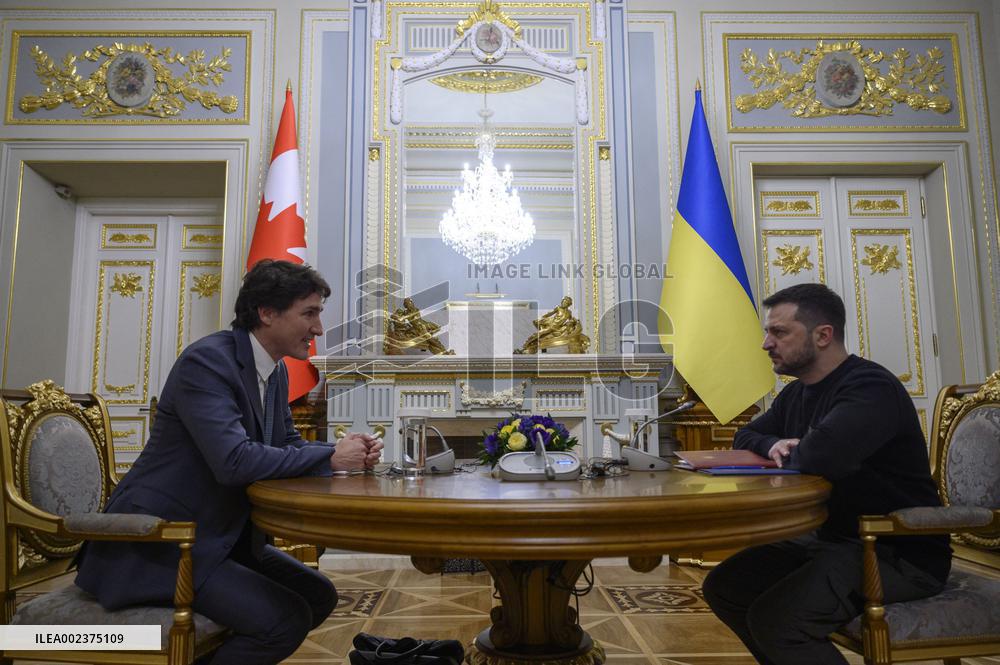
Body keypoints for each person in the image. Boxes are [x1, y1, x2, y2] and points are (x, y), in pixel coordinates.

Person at [75, 259, 383, 665]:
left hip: (222, 536)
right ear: (267, 312)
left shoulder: (275, 373)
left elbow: (287, 442)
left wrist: (341, 458)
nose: (319, 329)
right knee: (283, 620)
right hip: (163, 543)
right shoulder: (207, 363)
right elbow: (233, 461)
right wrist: (331, 455)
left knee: (318, 595)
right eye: (309, 314)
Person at [702, 283, 950, 665]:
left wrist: (797, 448)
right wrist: (773, 445)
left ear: (822, 335)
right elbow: (745, 434)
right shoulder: (796, 393)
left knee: (778, 621)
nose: (766, 343)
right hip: (833, 540)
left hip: (894, 551)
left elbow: (820, 457)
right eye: (768, 332)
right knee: (726, 587)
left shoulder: (870, 388)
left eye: (779, 332)